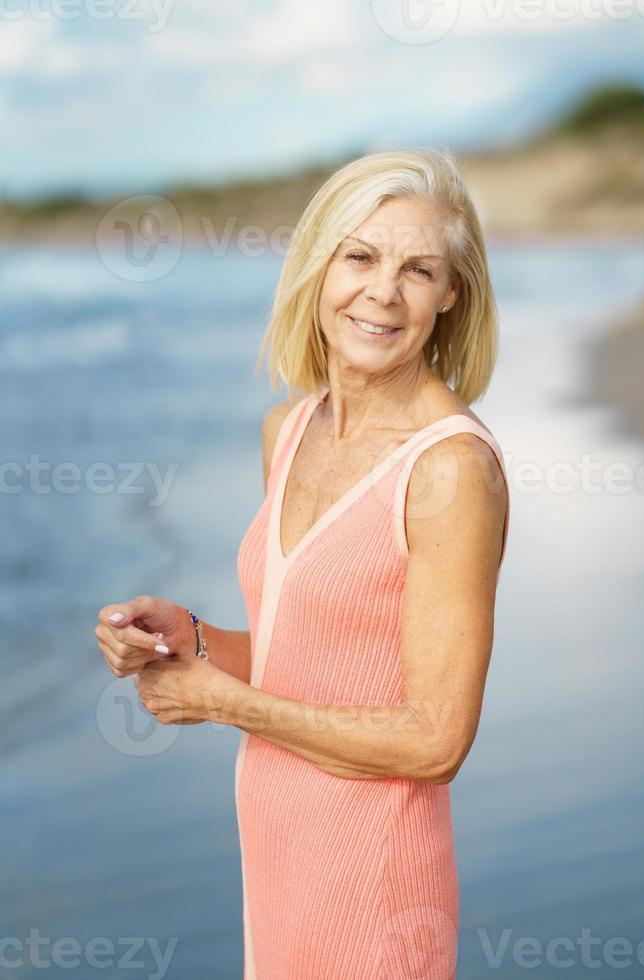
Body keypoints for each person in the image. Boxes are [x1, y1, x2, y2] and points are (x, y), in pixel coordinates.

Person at [95, 147, 510, 980]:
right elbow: (316, 657)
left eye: (418, 269)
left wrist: (226, 704)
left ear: (451, 292)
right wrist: (196, 642)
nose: (382, 293)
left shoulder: (450, 470)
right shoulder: (286, 430)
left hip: (378, 885)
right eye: (359, 256)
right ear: (319, 265)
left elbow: (435, 740)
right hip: (279, 864)